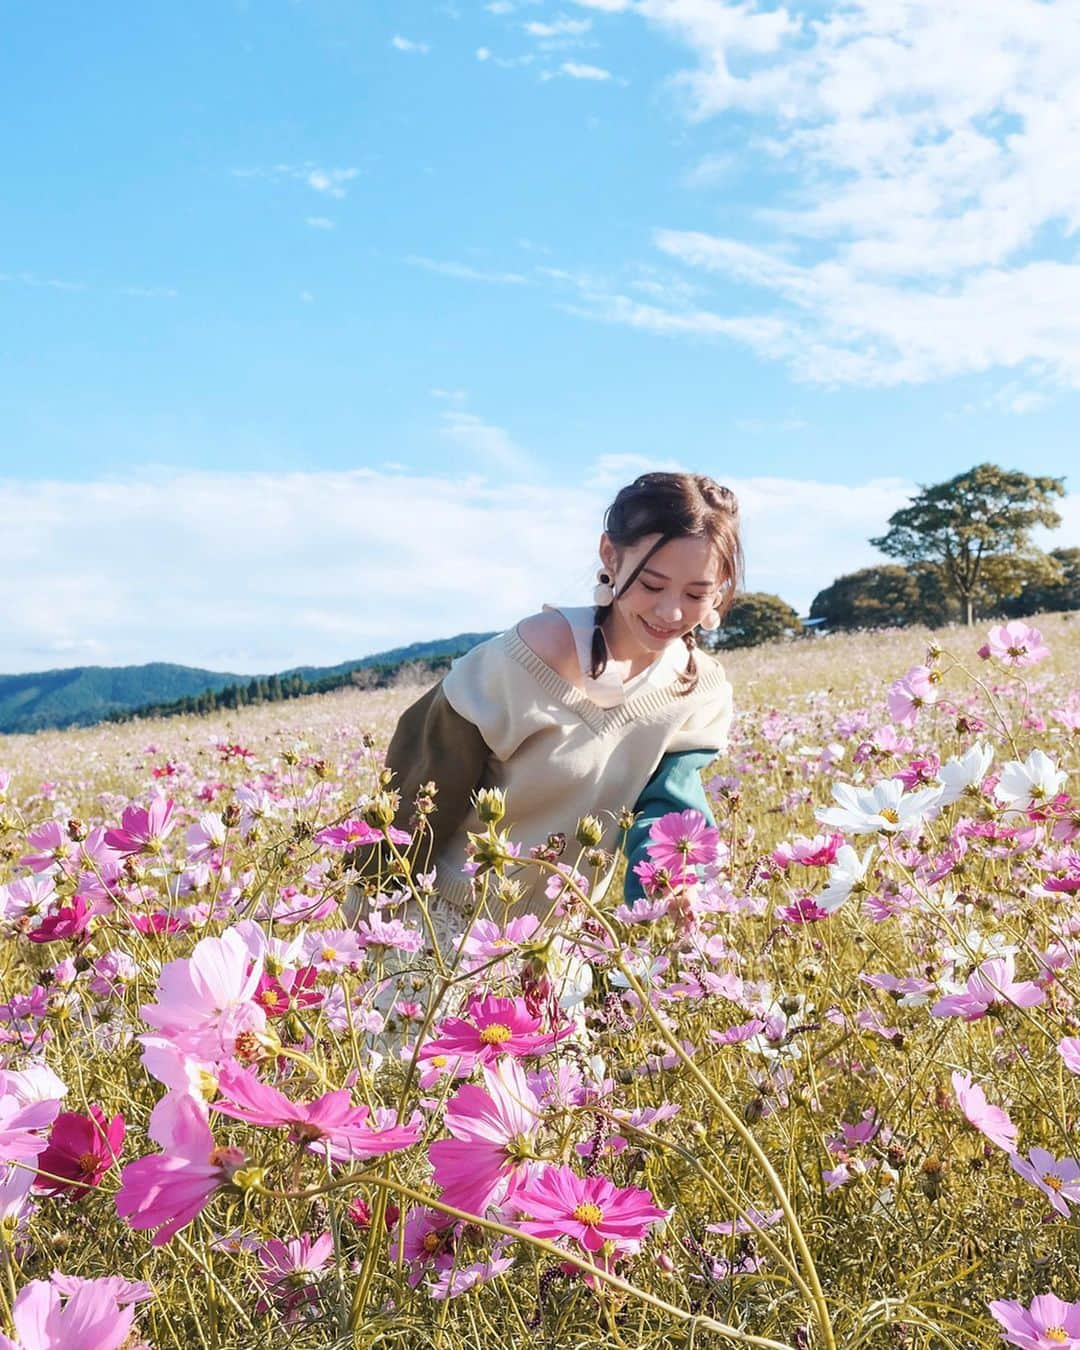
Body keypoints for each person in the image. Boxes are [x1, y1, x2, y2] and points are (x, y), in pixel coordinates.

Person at [345, 471, 742, 953]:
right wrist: (361, 932)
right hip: (443, 926)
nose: (671, 613)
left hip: (557, 947)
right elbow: (417, 797)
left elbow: (669, 813)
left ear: (719, 588)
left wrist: (665, 903)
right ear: (610, 556)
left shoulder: (699, 691)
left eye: (696, 594)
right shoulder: (522, 658)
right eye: (653, 585)